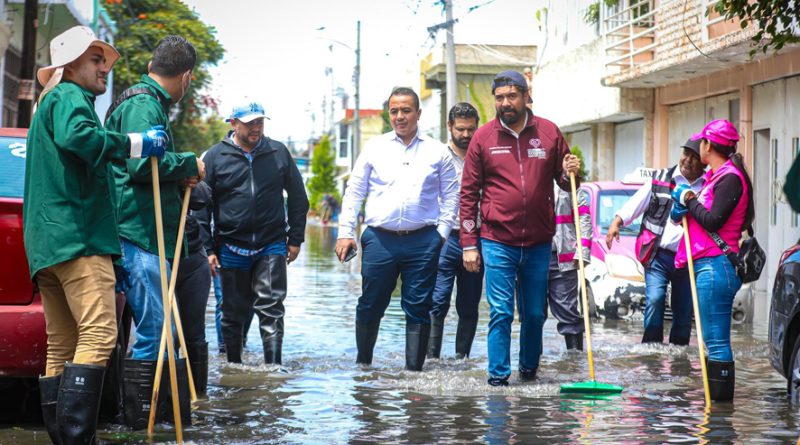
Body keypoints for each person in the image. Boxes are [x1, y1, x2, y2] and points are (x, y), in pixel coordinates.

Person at [24, 25, 167, 444]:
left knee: (62, 344)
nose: (105, 68)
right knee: (100, 334)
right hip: (78, 238)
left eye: (105, 60)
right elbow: (80, 138)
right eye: (96, 59)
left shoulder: (47, 102)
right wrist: (137, 143)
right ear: (70, 65)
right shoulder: (69, 95)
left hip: (49, 245)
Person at [104, 35, 203, 428]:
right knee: (156, 330)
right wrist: (188, 163)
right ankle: (141, 425)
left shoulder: (147, 102)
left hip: (144, 231)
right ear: (187, 77)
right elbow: (142, 165)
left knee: (164, 330)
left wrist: (180, 171)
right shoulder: (143, 104)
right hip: (138, 233)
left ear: (152, 66)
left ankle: (160, 420)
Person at [460, 70, 580, 386]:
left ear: (526, 97)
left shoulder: (549, 132)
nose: (505, 103)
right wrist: (469, 243)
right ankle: (498, 379)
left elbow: (566, 183)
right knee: (501, 311)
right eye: (499, 97)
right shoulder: (482, 138)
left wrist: (570, 172)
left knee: (535, 314)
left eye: (512, 96)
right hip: (496, 240)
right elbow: (468, 193)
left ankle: (529, 372)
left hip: (539, 242)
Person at [335, 87, 460, 371]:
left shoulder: (436, 151)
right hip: (380, 240)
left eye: (406, 110)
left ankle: (413, 374)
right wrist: (345, 233)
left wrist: (441, 235)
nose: (400, 116)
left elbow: (452, 195)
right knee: (370, 303)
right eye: (394, 111)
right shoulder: (374, 147)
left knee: (419, 306)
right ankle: (363, 369)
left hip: (423, 241)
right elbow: (354, 191)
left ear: (418, 113)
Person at [200, 101, 309, 365]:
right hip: (230, 246)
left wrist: (295, 238)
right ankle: (233, 368)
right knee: (232, 311)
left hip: (271, 244)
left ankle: (274, 367)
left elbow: (298, 197)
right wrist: (208, 249)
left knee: (272, 307)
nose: (256, 128)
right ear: (233, 123)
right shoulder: (215, 157)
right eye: (249, 123)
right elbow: (202, 205)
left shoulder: (278, 152)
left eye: (259, 122)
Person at [671, 119, 753, 402]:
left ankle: (720, 417)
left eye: (701, 142)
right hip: (707, 265)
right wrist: (682, 206)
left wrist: (689, 199)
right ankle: (714, 410)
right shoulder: (716, 177)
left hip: (717, 267)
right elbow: (697, 217)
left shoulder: (730, 178)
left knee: (716, 343)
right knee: (710, 341)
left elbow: (713, 220)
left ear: (708, 145)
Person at [606, 139, 706, 345]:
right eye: (685, 154)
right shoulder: (660, 179)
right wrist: (617, 222)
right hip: (658, 256)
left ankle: (679, 355)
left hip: (688, 260)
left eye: (694, 157)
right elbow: (635, 204)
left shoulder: (707, 187)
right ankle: (651, 350)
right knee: (655, 299)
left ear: (703, 162)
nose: (687, 160)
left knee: (684, 310)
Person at [426, 102, 484, 360]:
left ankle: (462, 360)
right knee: (437, 302)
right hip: (444, 238)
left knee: (469, 305)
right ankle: (430, 360)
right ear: (449, 126)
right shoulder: (436, 156)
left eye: (471, 129)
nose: (466, 134)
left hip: (477, 239)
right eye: (460, 129)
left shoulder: (483, 156)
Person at [549, 180, 591, 350]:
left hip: (564, 259)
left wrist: (583, 251)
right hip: (531, 256)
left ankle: (574, 361)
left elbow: (583, 216)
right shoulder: (527, 174)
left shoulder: (568, 180)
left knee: (569, 314)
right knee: (532, 316)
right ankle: (531, 364)